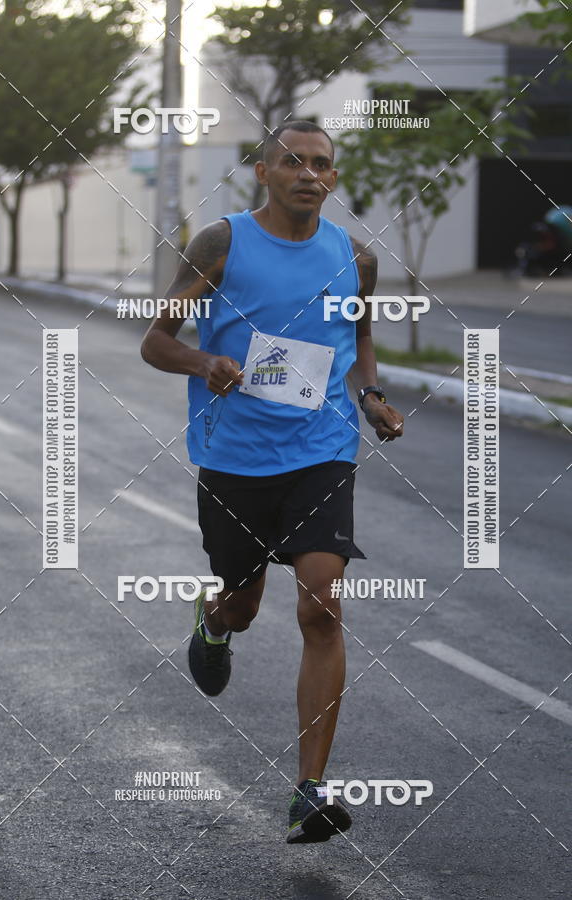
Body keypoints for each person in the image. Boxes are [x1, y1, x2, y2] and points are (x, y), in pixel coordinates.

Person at [141, 121, 404, 844]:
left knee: (321, 607)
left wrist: (371, 396)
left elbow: (358, 337)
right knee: (248, 602)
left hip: (322, 450)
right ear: (264, 171)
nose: (309, 174)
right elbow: (157, 340)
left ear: (333, 177)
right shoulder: (220, 245)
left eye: (322, 164)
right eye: (294, 161)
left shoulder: (355, 258)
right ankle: (216, 620)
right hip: (234, 460)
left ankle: (310, 791)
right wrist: (206, 365)